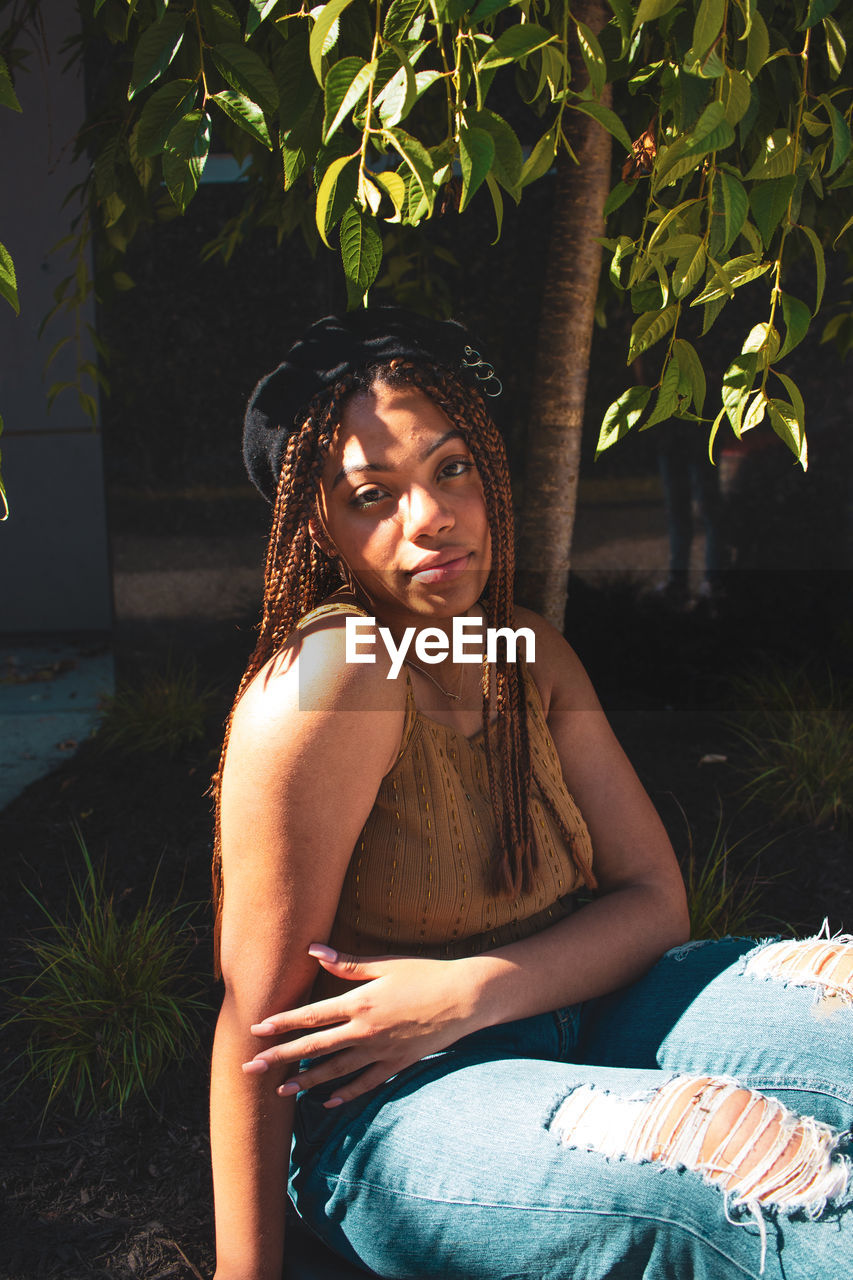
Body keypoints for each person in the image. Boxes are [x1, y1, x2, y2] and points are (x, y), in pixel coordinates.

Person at [209, 308, 853, 1280]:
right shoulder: (326, 676)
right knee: (750, 1175)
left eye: (451, 467)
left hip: (592, 1009)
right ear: (319, 523)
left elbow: (653, 900)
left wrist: (471, 988)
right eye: (374, 493)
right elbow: (251, 1019)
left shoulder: (526, 653)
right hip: (402, 1099)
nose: (429, 516)